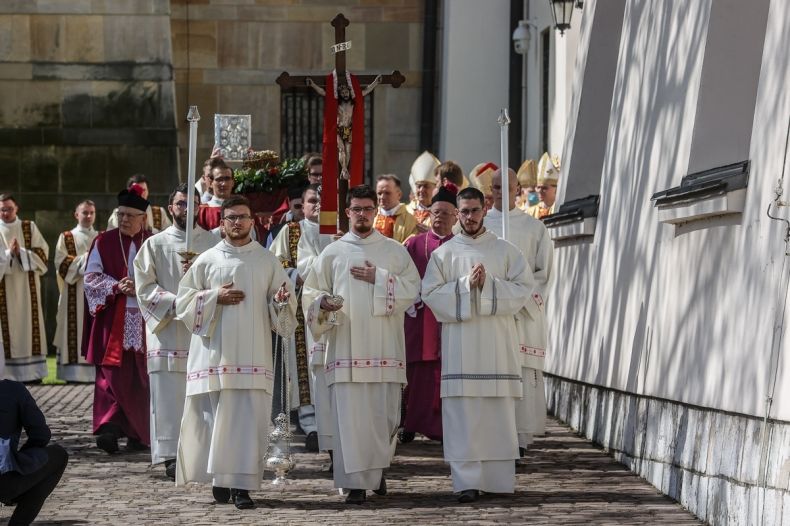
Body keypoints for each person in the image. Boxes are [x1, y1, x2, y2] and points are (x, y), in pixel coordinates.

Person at [175, 195, 296, 510]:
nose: (237, 223)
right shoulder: (208, 260)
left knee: (250, 423)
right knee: (220, 422)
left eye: (242, 217)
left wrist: (281, 301)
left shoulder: (267, 260)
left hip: (255, 356)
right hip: (217, 356)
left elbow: (283, 306)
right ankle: (221, 479)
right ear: (222, 222)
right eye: (231, 217)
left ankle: (242, 487)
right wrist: (215, 296)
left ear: (252, 220)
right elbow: (184, 303)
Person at [303, 184, 420, 504]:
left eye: (369, 209)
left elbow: (413, 289)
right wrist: (323, 303)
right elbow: (311, 294)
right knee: (349, 421)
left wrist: (379, 279)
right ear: (348, 212)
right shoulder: (333, 253)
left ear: (375, 212)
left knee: (383, 419)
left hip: (384, 349)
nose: (363, 215)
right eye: (357, 209)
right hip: (345, 350)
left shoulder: (394, 251)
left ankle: (377, 469)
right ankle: (354, 483)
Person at [422, 186, 529, 503]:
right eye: (464, 211)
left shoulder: (507, 252)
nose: (469, 216)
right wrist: (466, 285)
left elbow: (523, 291)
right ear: (457, 213)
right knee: (464, 415)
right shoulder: (444, 254)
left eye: (475, 210)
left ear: (486, 209)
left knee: (496, 414)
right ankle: (466, 481)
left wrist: (490, 285)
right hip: (461, 351)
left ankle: (497, 480)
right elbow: (430, 295)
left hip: (497, 348)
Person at [133, 183, 219, 480]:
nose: (187, 209)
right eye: (181, 204)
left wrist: (201, 298)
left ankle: (203, 452)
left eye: (193, 203)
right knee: (168, 396)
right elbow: (144, 288)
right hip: (168, 332)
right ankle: (170, 454)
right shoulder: (154, 245)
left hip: (202, 332)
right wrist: (180, 303)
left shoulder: (213, 243)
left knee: (201, 396)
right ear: (171, 208)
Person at [486, 168, 553, 455]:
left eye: (507, 186)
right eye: (496, 187)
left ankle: (520, 438)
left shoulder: (534, 227)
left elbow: (544, 273)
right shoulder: (478, 226)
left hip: (522, 315)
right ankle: (492, 436)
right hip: (488, 314)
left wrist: (515, 298)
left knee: (522, 374)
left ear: (517, 188)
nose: (502, 192)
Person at [83, 184, 152, 453]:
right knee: (110, 376)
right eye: (121, 214)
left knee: (139, 377)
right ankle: (108, 428)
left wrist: (142, 288)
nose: (124, 219)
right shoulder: (103, 241)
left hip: (145, 318)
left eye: (130, 215)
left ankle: (137, 433)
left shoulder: (153, 242)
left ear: (143, 219)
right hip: (114, 319)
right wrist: (115, 287)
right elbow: (90, 278)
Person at [401, 183, 458, 444]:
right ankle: (412, 422)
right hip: (421, 315)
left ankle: (447, 426)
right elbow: (404, 276)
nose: (440, 217)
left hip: (449, 317)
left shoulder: (461, 245)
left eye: (446, 212)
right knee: (418, 373)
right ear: (429, 213)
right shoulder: (414, 243)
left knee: (448, 368)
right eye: (436, 212)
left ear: (456, 215)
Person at [269, 184, 321, 452]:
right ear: (303, 203)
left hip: (332, 310)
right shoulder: (291, 232)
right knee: (303, 364)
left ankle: (330, 423)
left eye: (323, 201)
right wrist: (294, 277)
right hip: (300, 306)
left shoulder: (340, 234)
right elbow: (275, 266)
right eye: (313, 200)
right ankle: (310, 424)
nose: (318, 205)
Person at [0, 380, 69, 526]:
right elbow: (41, 434)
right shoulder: (12, 389)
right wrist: (21, 460)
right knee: (58, 456)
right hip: (4, 480)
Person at [0, 194, 49, 382]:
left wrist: (21, 253)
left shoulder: (29, 227)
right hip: (3, 288)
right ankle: (7, 374)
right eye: (2, 209)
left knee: (29, 325)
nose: (5, 213)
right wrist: (7, 254)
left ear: (16, 208)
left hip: (29, 291)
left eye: (9, 209)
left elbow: (43, 254)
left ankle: (32, 374)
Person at [53, 200, 99, 383]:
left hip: (96, 295)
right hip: (74, 294)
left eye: (92, 212)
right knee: (75, 328)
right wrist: (87, 258)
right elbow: (62, 265)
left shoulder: (101, 237)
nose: (88, 216)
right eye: (85, 212)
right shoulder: (66, 237)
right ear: (76, 215)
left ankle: (96, 372)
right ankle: (73, 375)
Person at [107, 174, 172, 233]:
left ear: (148, 191)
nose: (140, 193)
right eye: (136, 191)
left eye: (144, 190)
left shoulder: (159, 212)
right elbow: (111, 236)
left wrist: (149, 229)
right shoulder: (118, 214)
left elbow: (169, 236)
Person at [373, 175, 419, 243]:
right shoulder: (372, 216)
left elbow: (409, 246)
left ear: (399, 195)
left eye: (387, 193)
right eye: (379, 193)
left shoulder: (410, 220)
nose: (382, 197)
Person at [197, 158, 234, 231]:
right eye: (219, 179)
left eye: (227, 179)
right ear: (211, 183)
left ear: (233, 183)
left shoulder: (243, 209)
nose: (223, 183)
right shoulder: (202, 211)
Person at [405, 151, 440, 228]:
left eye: (426, 186)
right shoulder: (406, 211)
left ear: (435, 188)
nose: (421, 190)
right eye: (419, 186)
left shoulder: (441, 212)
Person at [527, 153, 560, 219]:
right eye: (538, 187)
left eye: (544, 188)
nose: (539, 191)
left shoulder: (559, 210)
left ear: (556, 189)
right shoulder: (530, 213)